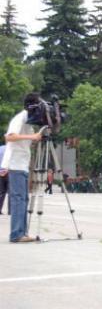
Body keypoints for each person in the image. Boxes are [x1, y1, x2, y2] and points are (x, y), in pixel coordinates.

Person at [2, 92, 43, 242]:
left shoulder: (30, 121)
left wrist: (36, 137)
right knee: (18, 199)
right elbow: (9, 136)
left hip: (23, 165)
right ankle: (16, 234)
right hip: (15, 164)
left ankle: (22, 232)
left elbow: (27, 140)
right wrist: (32, 137)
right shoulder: (20, 118)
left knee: (23, 199)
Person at [0, 145, 9, 214]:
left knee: (1, 192)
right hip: (10, 173)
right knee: (12, 193)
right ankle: (11, 211)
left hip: (0, 173)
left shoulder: (0, 148)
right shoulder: (13, 149)